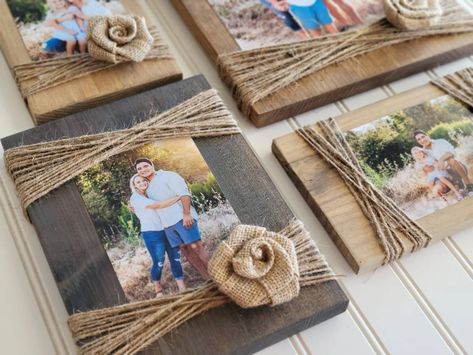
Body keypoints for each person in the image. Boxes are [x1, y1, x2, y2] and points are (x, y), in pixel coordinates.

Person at [134, 158, 210, 279]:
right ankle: (208, 278)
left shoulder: (168, 176)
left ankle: (219, 275)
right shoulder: (145, 186)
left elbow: (184, 194)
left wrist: (186, 214)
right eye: (139, 168)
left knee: (196, 247)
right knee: (186, 251)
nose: (143, 169)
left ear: (152, 165)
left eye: (145, 166)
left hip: (181, 218)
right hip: (167, 225)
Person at [129, 174, 186, 297]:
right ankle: (158, 289)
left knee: (175, 257)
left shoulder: (150, 193)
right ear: (134, 185)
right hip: (152, 232)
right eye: (138, 182)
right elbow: (159, 205)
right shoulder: (136, 199)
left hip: (167, 228)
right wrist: (180, 196)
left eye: (143, 180)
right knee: (159, 261)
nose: (142, 183)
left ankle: (182, 288)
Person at [414, 130, 473, 194]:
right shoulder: (423, 152)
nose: (422, 140)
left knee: (451, 160)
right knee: (439, 185)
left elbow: (452, 152)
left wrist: (441, 159)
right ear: (418, 142)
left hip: (455, 168)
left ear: (427, 136)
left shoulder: (440, 142)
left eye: (423, 137)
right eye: (419, 139)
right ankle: (458, 185)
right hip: (444, 173)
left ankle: (469, 185)